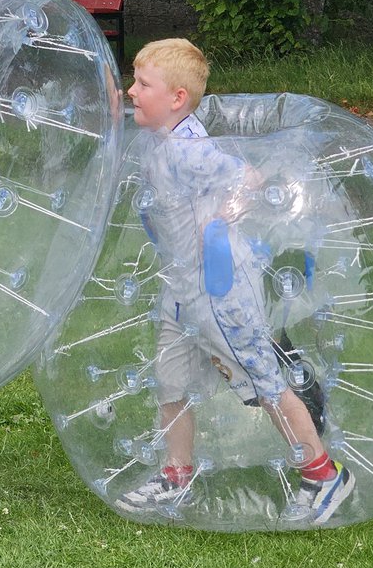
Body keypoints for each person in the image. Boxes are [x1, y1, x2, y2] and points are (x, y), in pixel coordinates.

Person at [117, 38, 355, 524]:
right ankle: (176, 474)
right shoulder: (161, 142)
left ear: (177, 98)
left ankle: (324, 475)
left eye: (143, 84)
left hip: (219, 290)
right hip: (182, 287)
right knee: (170, 378)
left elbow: (246, 176)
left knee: (263, 379)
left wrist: (224, 218)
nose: (131, 92)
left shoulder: (190, 151)